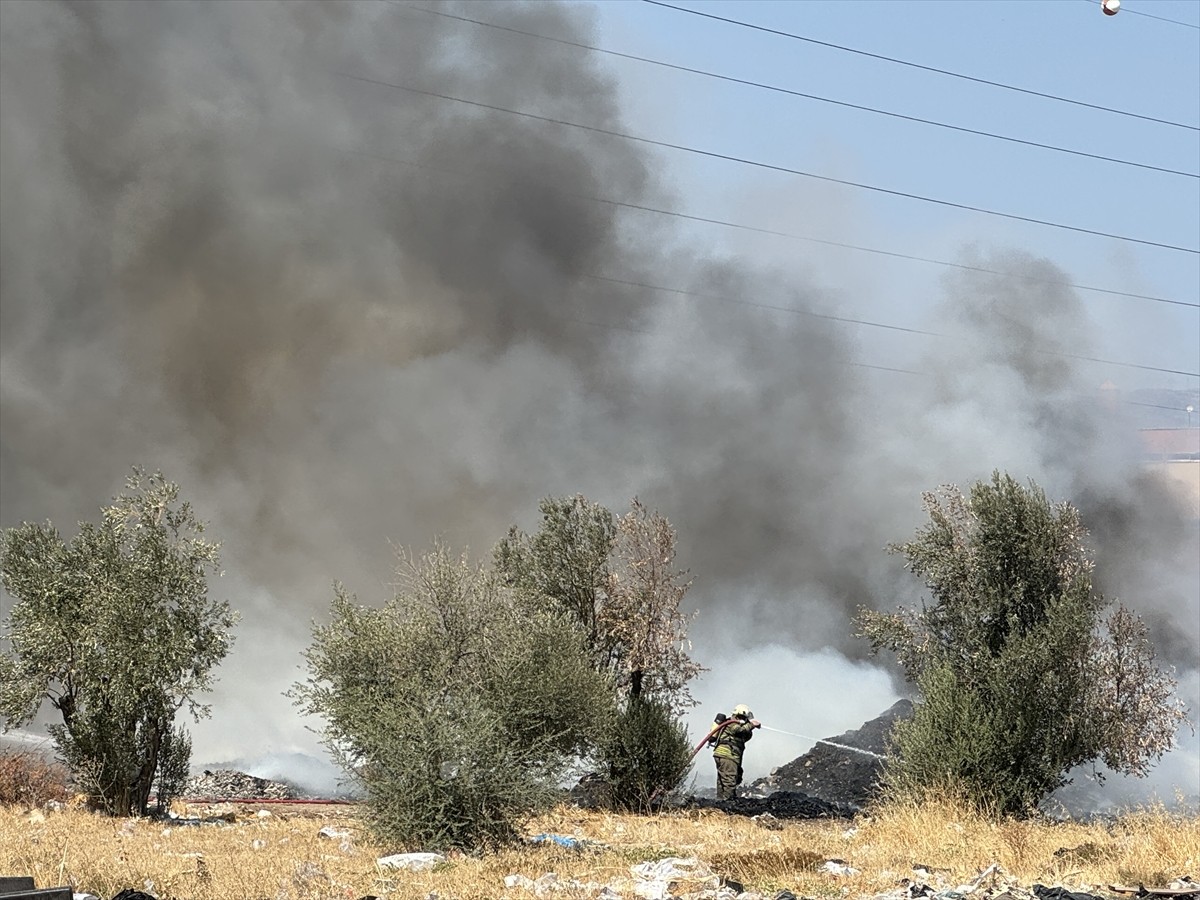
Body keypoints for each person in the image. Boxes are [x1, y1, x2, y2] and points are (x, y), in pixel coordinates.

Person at [712, 703, 760, 800]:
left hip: (725, 755)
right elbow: (738, 730)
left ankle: (720, 802)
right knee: (729, 780)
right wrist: (751, 724)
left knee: (723, 780)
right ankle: (728, 802)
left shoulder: (738, 725)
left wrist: (751, 727)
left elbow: (745, 736)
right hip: (727, 755)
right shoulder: (732, 723)